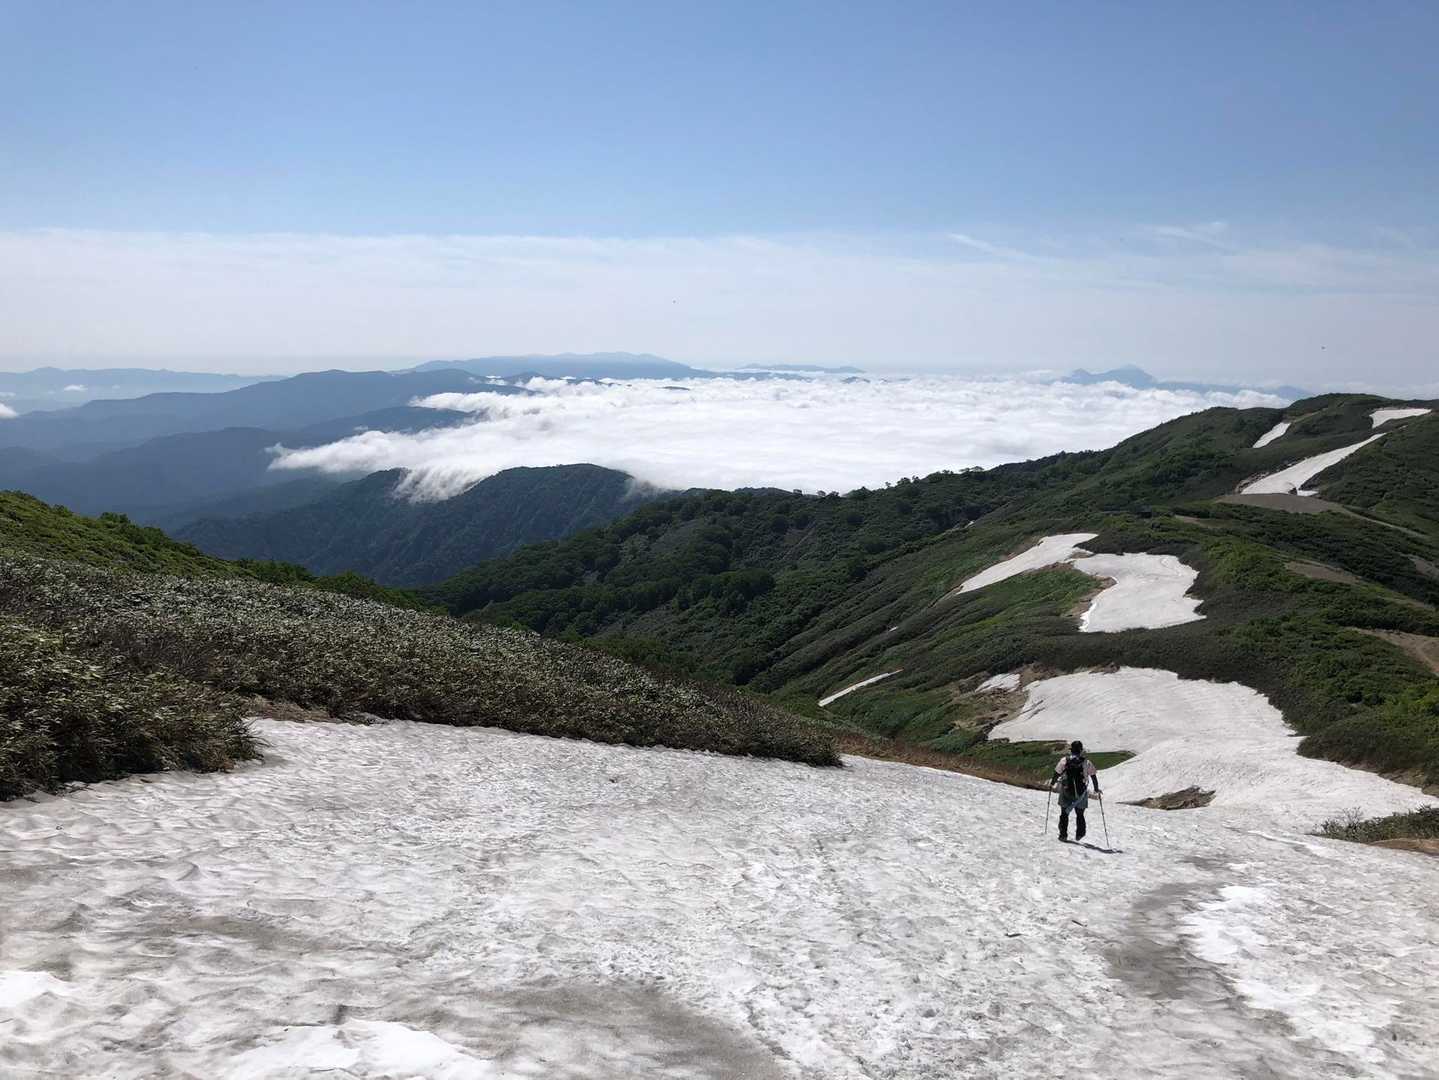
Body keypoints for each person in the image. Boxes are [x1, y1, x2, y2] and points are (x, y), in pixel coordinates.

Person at [1051, 740, 1101, 842]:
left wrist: (1052, 783)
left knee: (1064, 813)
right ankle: (1080, 834)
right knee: (1080, 814)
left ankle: (1063, 835)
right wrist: (1096, 789)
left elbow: (1057, 773)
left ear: (1071, 750)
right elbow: (1093, 776)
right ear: (1081, 750)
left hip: (1066, 790)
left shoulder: (1064, 760)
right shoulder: (1087, 762)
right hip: (1081, 792)